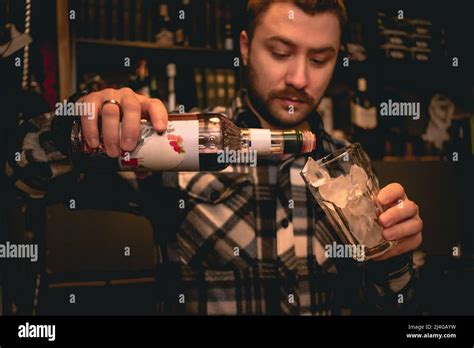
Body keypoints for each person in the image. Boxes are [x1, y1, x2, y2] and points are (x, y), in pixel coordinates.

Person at [10, 0, 423, 315]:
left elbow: (399, 307)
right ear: (244, 46)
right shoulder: (178, 143)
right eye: (280, 52)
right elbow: (21, 176)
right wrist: (78, 126)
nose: (300, 78)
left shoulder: (347, 167)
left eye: (320, 59)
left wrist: (393, 259)